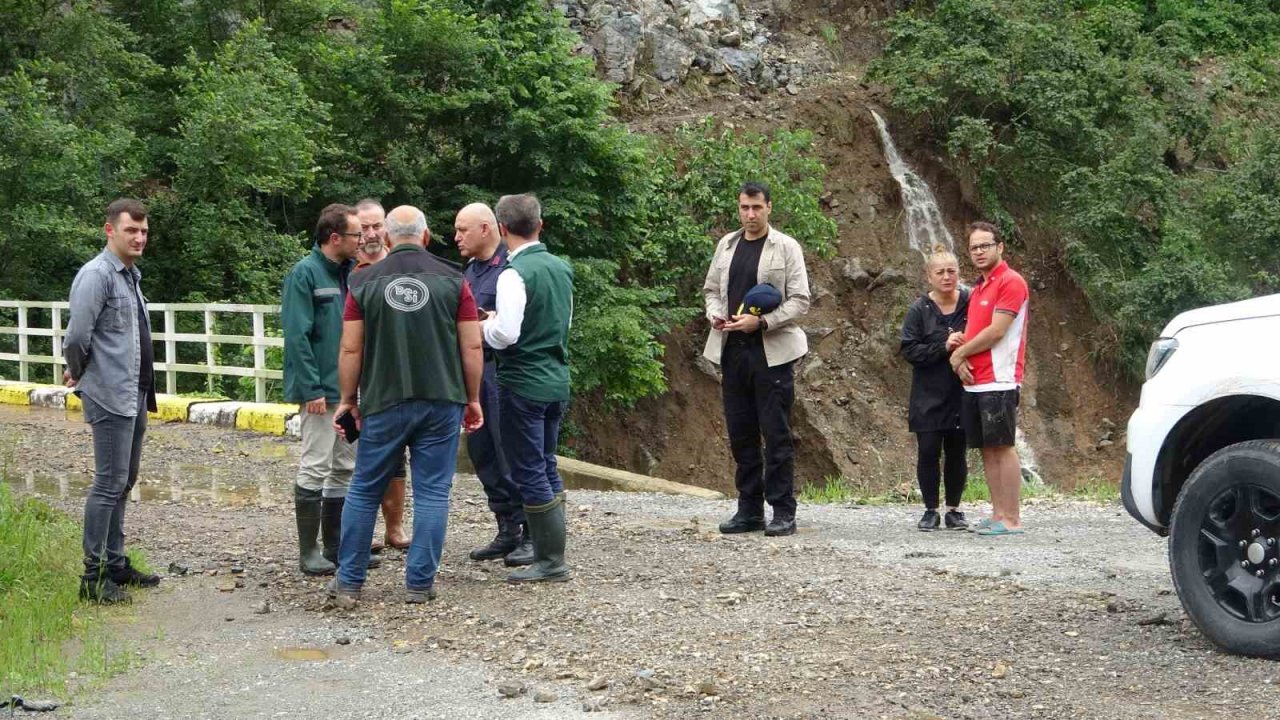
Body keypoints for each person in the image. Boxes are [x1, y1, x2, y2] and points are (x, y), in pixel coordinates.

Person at [328, 205, 484, 604]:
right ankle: (418, 584)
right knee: (433, 492)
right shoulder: (454, 279)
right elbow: (471, 343)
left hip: (384, 400)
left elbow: (350, 347)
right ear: (427, 236)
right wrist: (472, 397)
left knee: (364, 489)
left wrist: (348, 400)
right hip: (442, 399)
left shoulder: (363, 282)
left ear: (388, 238)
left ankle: (349, 581)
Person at [64, 198, 162, 603]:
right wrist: (81, 371)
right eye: (131, 231)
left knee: (124, 481)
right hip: (109, 393)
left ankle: (116, 564)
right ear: (110, 231)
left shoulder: (130, 276)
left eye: (143, 231)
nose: (139, 238)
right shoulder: (97, 275)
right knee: (107, 483)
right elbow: (76, 337)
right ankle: (93, 576)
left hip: (134, 393)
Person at [702, 182, 811, 537]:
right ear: (738, 208)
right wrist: (717, 317)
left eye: (756, 208)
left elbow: (800, 300)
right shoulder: (726, 245)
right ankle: (749, 509)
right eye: (744, 208)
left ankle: (783, 511)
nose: (750, 215)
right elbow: (711, 291)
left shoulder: (786, 247)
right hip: (731, 350)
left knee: (776, 433)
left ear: (769, 208)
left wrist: (762, 321)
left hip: (773, 354)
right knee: (741, 433)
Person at [282, 203, 379, 575]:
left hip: (349, 391)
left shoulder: (351, 274)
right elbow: (297, 334)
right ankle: (309, 553)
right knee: (315, 464)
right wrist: (310, 389)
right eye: (357, 234)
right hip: (321, 391)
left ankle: (336, 547)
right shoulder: (304, 275)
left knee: (345, 466)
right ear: (335, 237)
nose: (364, 239)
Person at [483, 194, 574, 583]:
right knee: (547, 462)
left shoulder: (511, 273)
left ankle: (550, 560)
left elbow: (506, 334)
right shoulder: (561, 268)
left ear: (502, 230)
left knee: (529, 468)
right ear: (540, 225)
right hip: (557, 378)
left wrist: (481, 326)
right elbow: (561, 323)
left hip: (523, 382)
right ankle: (548, 550)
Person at [454, 203, 529, 566]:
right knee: (483, 452)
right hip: (473, 373)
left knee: (510, 451)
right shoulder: (470, 271)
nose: (456, 238)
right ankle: (506, 527)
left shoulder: (511, 269)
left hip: (501, 372)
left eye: (462, 230)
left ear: (486, 229)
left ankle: (530, 531)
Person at [949, 221, 1030, 536]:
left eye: (985, 245)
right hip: (976, 380)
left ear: (1000, 247)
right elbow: (978, 330)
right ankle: (998, 515)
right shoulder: (980, 288)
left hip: (1000, 380)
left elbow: (997, 332)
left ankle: (1011, 519)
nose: (979, 251)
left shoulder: (1011, 282)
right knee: (987, 447)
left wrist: (959, 354)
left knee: (1003, 446)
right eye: (973, 247)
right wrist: (960, 348)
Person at [353, 198, 410, 552]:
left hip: (395, 377)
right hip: (357, 376)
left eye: (377, 226)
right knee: (354, 454)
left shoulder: (401, 268)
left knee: (396, 454)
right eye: (364, 228)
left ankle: (395, 526)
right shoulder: (346, 271)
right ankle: (362, 528)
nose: (372, 234)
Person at [900, 247, 970, 531]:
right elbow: (909, 349)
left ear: (958, 273)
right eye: (940, 272)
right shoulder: (918, 310)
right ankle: (930, 509)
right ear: (929, 276)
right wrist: (943, 347)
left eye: (951, 271)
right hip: (928, 395)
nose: (946, 277)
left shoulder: (970, 302)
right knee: (928, 451)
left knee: (957, 452)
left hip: (963, 391)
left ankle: (954, 509)